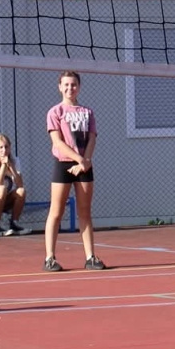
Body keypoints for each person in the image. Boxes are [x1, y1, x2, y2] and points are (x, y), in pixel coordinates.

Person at [44, 71, 105, 271]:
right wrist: (79, 160)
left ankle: (90, 257)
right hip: (64, 164)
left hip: (84, 166)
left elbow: (92, 138)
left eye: (74, 84)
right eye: (66, 84)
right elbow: (57, 142)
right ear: (60, 87)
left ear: (79, 87)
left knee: (85, 212)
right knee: (56, 211)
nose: (70, 88)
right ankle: (50, 258)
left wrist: (85, 162)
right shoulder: (55, 112)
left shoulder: (88, 112)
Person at [0, 133, 29, 235]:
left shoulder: (15, 161)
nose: (4, 150)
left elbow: (20, 184)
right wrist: (4, 165)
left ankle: (14, 223)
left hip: (8, 197)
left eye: (6, 147)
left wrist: (11, 166)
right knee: (1, 188)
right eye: (1, 147)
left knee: (21, 191)